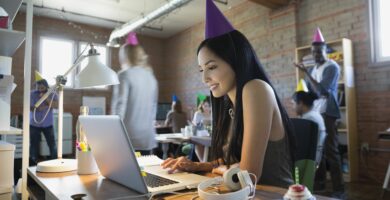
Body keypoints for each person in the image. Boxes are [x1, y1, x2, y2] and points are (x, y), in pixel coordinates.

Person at [162, 0, 295, 188]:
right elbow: (228, 161)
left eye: (212, 67)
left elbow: (248, 174)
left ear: (236, 60)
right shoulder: (228, 105)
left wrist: (223, 170)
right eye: (201, 70)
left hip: (273, 194)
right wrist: (197, 166)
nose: (205, 78)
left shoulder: (256, 89)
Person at [294, 28, 345, 197]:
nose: (316, 55)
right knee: (318, 150)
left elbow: (323, 91)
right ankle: (320, 184)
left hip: (328, 114)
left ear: (326, 50)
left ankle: (339, 190)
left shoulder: (332, 67)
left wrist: (306, 72)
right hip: (316, 114)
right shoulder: (316, 68)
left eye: (319, 51)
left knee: (331, 150)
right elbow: (314, 94)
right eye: (313, 52)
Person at [111, 32, 158, 155]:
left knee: (123, 173)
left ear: (125, 56)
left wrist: (112, 133)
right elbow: (153, 108)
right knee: (144, 173)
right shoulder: (151, 77)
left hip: (128, 137)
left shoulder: (124, 75)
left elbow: (120, 105)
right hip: (147, 137)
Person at [292, 80, 326, 165]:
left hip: (307, 161)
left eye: (294, 104)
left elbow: (301, 144)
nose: (293, 107)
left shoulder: (309, 118)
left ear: (301, 103)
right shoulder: (315, 115)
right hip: (314, 159)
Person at [30, 76, 58, 165]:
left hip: (48, 124)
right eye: (38, 87)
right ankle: (32, 164)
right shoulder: (32, 94)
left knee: (52, 144)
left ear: (46, 86)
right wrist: (43, 107)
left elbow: (55, 106)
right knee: (34, 145)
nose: (40, 90)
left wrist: (45, 98)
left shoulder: (52, 93)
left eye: (42, 88)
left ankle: (55, 162)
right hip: (34, 124)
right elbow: (32, 108)